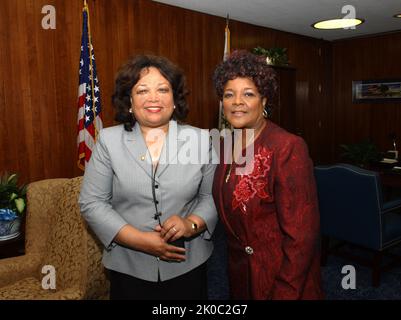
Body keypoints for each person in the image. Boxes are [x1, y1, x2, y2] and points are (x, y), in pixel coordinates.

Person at [79, 54, 218, 300]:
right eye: (142, 90)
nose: (153, 98)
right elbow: (92, 203)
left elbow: (212, 197)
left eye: (163, 89)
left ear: (175, 99)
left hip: (188, 264)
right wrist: (141, 241)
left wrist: (191, 224)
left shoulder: (200, 140)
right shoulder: (109, 141)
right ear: (129, 101)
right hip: (128, 267)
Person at [211, 50, 324, 300]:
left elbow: (302, 239)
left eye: (248, 94)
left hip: (282, 277)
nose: (237, 101)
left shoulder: (287, 147)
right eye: (229, 95)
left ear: (264, 101)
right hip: (240, 273)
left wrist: (286, 291)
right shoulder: (224, 145)